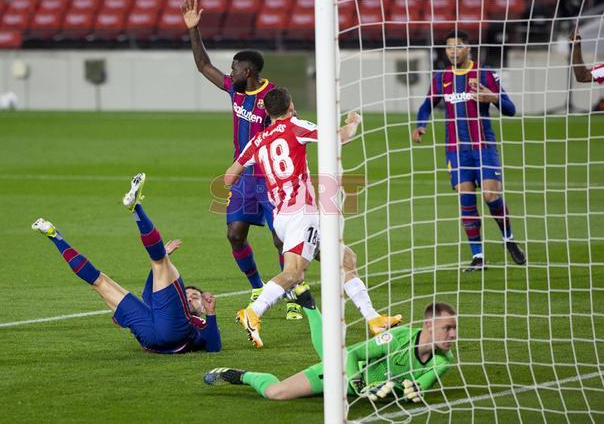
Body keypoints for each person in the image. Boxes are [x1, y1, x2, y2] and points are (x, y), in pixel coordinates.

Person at [225, 87, 402, 348]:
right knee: (294, 274)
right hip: (302, 216)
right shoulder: (295, 125)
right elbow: (339, 138)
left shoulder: (257, 141)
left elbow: (229, 178)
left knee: (346, 259)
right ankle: (252, 312)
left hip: (283, 217)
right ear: (291, 105)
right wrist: (353, 123)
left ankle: (374, 319)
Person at [181, 0, 302, 320]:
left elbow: (292, 126)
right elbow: (203, 65)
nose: (230, 71)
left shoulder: (275, 97)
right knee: (235, 234)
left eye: (234, 67)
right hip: (244, 177)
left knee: (281, 239)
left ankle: (292, 293)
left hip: (272, 179)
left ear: (247, 70)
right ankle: (258, 285)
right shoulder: (235, 90)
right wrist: (194, 30)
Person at [31, 173, 221, 354]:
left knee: (158, 260)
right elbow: (152, 289)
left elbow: (214, 347)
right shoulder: (174, 311)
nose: (189, 298)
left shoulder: (197, 323)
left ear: (203, 308)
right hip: (150, 336)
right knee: (99, 282)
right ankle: (53, 235)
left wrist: (211, 314)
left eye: (195, 297)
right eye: (188, 294)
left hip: (170, 333)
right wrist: (162, 258)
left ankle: (136, 207)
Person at [204, 289, 456, 403]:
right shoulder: (399, 337)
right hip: (347, 372)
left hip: (358, 390)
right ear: (429, 325)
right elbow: (354, 354)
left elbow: (420, 386)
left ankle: (307, 302)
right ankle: (241, 375)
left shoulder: (443, 361)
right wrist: (358, 383)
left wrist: (408, 391)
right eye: (448, 328)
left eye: (454, 328)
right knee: (274, 393)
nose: (453, 335)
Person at [412, 30, 526, 272]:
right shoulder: (441, 77)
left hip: (483, 146)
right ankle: (478, 256)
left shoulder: (484, 74)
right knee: (466, 199)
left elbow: (511, 109)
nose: (454, 51)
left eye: (459, 46)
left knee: (490, 196)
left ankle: (509, 239)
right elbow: (426, 105)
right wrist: (420, 125)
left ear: (469, 49)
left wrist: (492, 97)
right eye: (449, 47)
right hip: (456, 150)